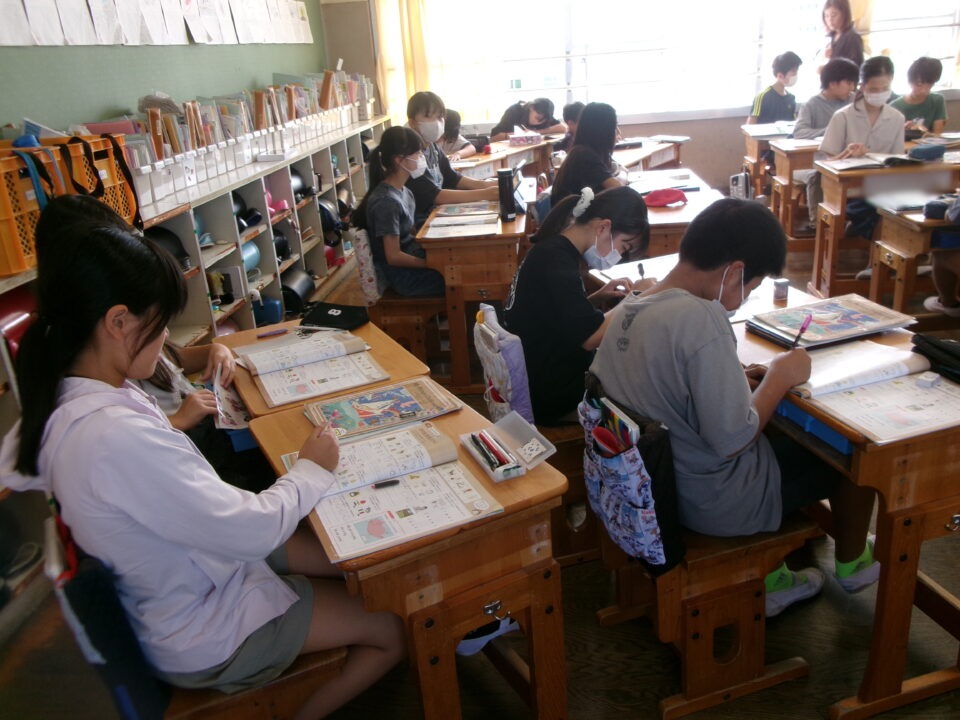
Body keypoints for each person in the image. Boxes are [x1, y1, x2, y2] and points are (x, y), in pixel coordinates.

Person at [0, 198, 405, 717]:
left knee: (349, 559)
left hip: (197, 570)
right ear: (117, 321)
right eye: (160, 324)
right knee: (391, 627)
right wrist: (311, 468)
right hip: (205, 628)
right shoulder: (111, 436)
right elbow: (251, 532)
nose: (167, 337)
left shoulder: (75, 396)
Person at [590, 198, 879, 616]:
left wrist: (736, 379)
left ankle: (773, 571)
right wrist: (780, 376)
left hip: (653, 491)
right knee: (854, 453)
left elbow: (666, 387)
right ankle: (851, 564)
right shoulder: (701, 318)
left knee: (784, 432)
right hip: (713, 501)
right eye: (752, 287)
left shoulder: (633, 307)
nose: (744, 299)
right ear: (736, 271)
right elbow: (733, 439)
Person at [504, 186, 652, 425]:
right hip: (553, 396)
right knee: (647, 390)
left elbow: (554, 314)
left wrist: (597, 297)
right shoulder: (557, 262)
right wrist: (637, 297)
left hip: (540, 374)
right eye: (624, 246)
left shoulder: (552, 250)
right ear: (603, 227)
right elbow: (589, 337)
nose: (619, 256)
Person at [819, 56, 905, 243]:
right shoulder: (843, 116)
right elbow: (829, 159)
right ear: (862, 86)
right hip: (848, 186)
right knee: (878, 204)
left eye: (885, 88)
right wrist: (849, 153)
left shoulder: (897, 118)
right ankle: (870, 242)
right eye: (874, 89)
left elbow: (897, 158)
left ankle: (863, 230)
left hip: (882, 183)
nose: (879, 93)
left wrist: (869, 154)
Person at [353, 126, 445, 297]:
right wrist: (430, 264)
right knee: (460, 276)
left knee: (460, 264)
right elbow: (393, 256)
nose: (422, 157)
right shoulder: (386, 202)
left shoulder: (404, 191)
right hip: (405, 278)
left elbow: (411, 235)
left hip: (413, 260)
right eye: (417, 153)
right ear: (399, 160)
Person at [404, 91, 498, 224]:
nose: (437, 122)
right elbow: (435, 195)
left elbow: (452, 177)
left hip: (436, 214)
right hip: (421, 221)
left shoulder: (432, 146)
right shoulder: (411, 155)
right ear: (413, 122)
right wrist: (485, 194)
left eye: (440, 116)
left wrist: (485, 185)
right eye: (429, 116)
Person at [793, 57, 859, 233]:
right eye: (848, 83)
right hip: (813, 162)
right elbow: (800, 132)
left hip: (847, 159)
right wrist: (830, 131)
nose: (852, 88)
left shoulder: (854, 101)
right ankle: (818, 225)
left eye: (854, 83)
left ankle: (856, 222)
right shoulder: (812, 104)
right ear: (832, 83)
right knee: (817, 175)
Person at [551, 102, 623, 205]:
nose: (618, 132)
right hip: (572, 215)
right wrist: (623, 173)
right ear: (603, 131)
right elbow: (619, 189)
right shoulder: (584, 156)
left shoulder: (585, 150)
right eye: (614, 127)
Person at [891, 57, 948, 136]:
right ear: (909, 82)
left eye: (929, 84)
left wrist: (923, 132)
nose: (924, 89)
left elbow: (938, 135)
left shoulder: (937, 100)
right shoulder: (894, 107)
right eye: (919, 84)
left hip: (929, 143)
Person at [746, 51, 802, 125]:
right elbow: (750, 126)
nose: (796, 74)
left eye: (797, 70)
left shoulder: (791, 98)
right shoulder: (762, 96)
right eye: (793, 71)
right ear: (780, 76)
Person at [490, 98, 566, 142]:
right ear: (531, 107)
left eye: (543, 121)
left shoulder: (544, 115)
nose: (538, 123)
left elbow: (563, 128)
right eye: (537, 118)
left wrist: (535, 132)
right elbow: (494, 137)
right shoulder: (515, 111)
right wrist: (519, 135)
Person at [821, 0, 864, 69]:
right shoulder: (833, 35)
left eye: (833, 15)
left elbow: (856, 68)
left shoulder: (852, 37)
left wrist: (826, 69)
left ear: (844, 14)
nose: (830, 20)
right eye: (826, 16)